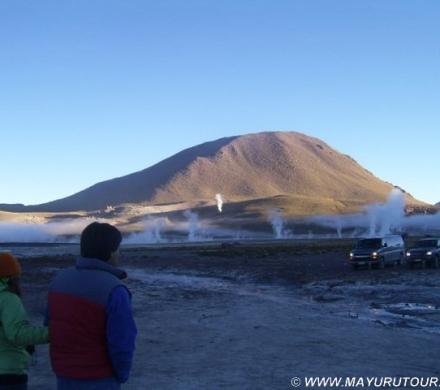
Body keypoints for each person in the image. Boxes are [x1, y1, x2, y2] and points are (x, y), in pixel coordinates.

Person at [47, 222, 137, 389]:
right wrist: (122, 375)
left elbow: (50, 326)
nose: (119, 253)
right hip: (99, 377)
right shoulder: (115, 290)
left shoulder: (59, 281)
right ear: (110, 252)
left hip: (64, 375)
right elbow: (122, 342)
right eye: (118, 248)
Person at [0, 253, 49, 390]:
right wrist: (53, 332)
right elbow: (17, 334)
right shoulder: (8, 299)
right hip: (7, 374)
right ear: (12, 276)